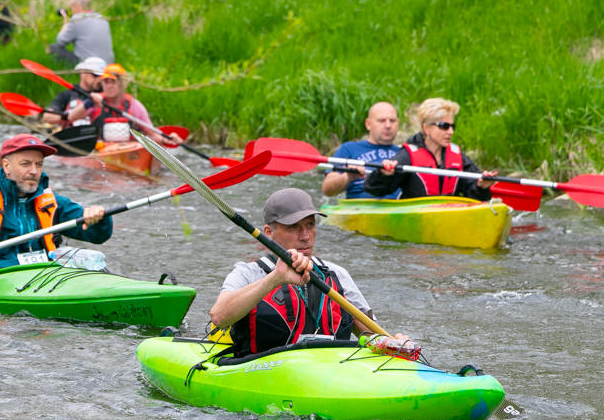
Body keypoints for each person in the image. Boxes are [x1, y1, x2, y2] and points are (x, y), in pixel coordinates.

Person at [209, 188, 408, 356]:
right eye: (294, 227)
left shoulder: (335, 274)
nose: (305, 236)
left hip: (329, 371)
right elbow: (219, 317)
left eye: (310, 225)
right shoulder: (248, 273)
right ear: (268, 233)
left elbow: (371, 335)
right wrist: (275, 279)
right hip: (262, 372)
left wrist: (394, 344)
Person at [0, 134, 112, 273]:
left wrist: (99, 218)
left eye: (39, 164)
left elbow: (97, 236)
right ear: (7, 166)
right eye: (25, 164)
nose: (34, 171)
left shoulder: (53, 202)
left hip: (44, 275)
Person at [364, 97, 496, 200]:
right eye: (444, 126)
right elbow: (373, 189)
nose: (450, 132)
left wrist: (481, 187)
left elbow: (476, 197)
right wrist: (384, 175)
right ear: (426, 128)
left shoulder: (457, 156)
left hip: (449, 216)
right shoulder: (407, 156)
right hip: (417, 219)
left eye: (452, 126)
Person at [69, 63, 182, 145]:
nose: (109, 86)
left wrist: (165, 139)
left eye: (113, 81)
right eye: (106, 82)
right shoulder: (95, 102)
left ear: (122, 84)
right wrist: (88, 103)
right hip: (102, 150)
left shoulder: (134, 106)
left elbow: (151, 134)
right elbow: (71, 117)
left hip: (129, 151)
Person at [322, 101, 401, 199]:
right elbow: (327, 190)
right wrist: (348, 176)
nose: (388, 126)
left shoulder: (405, 152)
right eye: (381, 121)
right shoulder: (348, 149)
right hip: (359, 207)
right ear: (368, 124)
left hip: (397, 207)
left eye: (392, 121)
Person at [47, 0, 114, 66]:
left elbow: (60, 41)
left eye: (72, 7)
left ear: (78, 6)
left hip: (88, 66)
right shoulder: (101, 18)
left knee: (53, 48)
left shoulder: (76, 20)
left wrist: (65, 23)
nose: (71, 11)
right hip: (108, 64)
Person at [41, 56, 106, 129]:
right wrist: (68, 116)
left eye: (102, 76)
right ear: (82, 72)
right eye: (95, 75)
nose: (99, 80)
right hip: (73, 135)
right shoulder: (67, 95)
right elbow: (46, 117)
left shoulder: (106, 94)